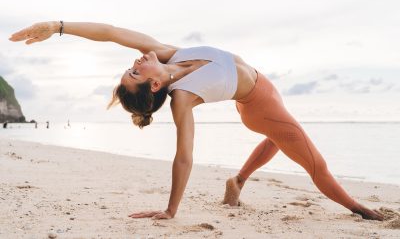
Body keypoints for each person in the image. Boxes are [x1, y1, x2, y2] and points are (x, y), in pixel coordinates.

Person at [9, 21, 384, 221]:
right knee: (312, 161)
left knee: (277, 141)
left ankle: (237, 181)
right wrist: (172, 210)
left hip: (266, 88)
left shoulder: (168, 53)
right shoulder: (182, 99)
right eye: (135, 73)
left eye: (131, 67)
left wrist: (58, 26)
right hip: (259, 106)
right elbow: (184, 156)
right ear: (154, 84)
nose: (136, 63)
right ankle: (360, 208)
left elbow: (110, 33)